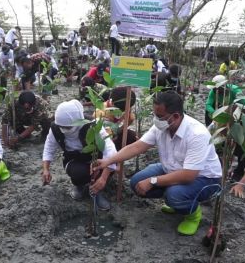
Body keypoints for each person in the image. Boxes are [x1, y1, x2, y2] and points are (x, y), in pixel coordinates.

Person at [93, 91, 222, 235]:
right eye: (155, 115)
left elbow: (188, 175)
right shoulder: (162, 126)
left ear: (176, 116)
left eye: (159, 116)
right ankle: (177, 201)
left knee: (173, 194)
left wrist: (153, 181)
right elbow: (137, 146)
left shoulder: (197, 134)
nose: (156, 120)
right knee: (137, 182)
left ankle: (192, 214)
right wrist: (108, 161)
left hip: (204, 179)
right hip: (172, 169)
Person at [42, 100, 117, 210]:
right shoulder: (55, 128)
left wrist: (103, 178)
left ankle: (97, 191)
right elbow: (49, 148)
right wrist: (46, 169)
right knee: (79, 172)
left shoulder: (93, 126)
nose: (64, 130)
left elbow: (110, 151)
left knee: (109, 166)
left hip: (97, 159)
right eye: (61, 126)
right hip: (74, 160)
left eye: (68, 127)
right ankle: (79, 186)